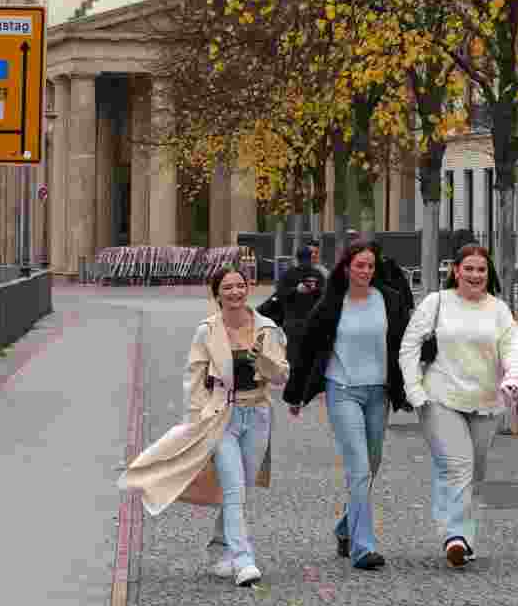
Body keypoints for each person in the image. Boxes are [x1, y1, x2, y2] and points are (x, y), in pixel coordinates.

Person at [119, 266, 289, 587]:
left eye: (240, 286)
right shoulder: (207, 331)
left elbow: (280, 375)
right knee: (234, 487)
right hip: (221, 417)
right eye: (228, 287)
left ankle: (219, 546)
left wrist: (261, 361)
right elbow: (193, 378)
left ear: (248, 289)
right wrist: (198, 418)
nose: (236, 292)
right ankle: (243, 560)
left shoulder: (267, 329)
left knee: (243, 487)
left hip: (258, 414)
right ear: (217, 294)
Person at [398, 243, 518, 569]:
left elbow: (514, 346)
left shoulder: (498, 310)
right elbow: (410, 345)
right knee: (458, 465)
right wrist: (414, 389)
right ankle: (454, 536)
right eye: (468, 268)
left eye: (481, 269)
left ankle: (463, 539)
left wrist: (515, 378)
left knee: (473, 471)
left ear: (488, 274)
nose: (475, 274)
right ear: (456, 271)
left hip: (486, 402)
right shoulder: (437, 302)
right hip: (440, 398)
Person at [283, 238, 413, 570]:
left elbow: (404, 343)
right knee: (357, 468)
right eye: (359, 265)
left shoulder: (388, 299)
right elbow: (308, 349)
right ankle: (362, 547)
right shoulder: (331, 304)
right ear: (346, 267)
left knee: (371, 466)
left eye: (370, 266)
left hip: (378, 393)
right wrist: (296, 394)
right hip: (343, 392)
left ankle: (345, 527)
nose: (365, 272)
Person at [263, 245, 327, 358]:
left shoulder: (288, 274)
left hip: (293, 324)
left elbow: (280, 294)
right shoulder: (317, 274)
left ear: (296, 258)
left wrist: (299, 290)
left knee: (293, 357)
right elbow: (325, 296)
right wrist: (298, 290)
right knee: (309, 358)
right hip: (309, 322)